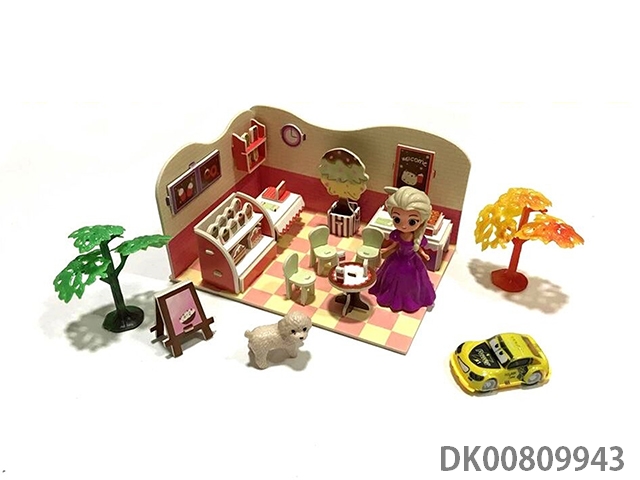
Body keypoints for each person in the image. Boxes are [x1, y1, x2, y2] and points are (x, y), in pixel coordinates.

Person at [368, 186, 436, 312]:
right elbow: (395, 245)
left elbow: (418, 248)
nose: (404, 225)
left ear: (421, 221)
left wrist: (424, 254)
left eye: (412, 222)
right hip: (397, 259)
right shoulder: (398, 235)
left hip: (412, 262)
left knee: (411, 283)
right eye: (397, 219)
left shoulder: (415, 237)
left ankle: (409, 300)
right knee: (390, 279)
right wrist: (386, 249)